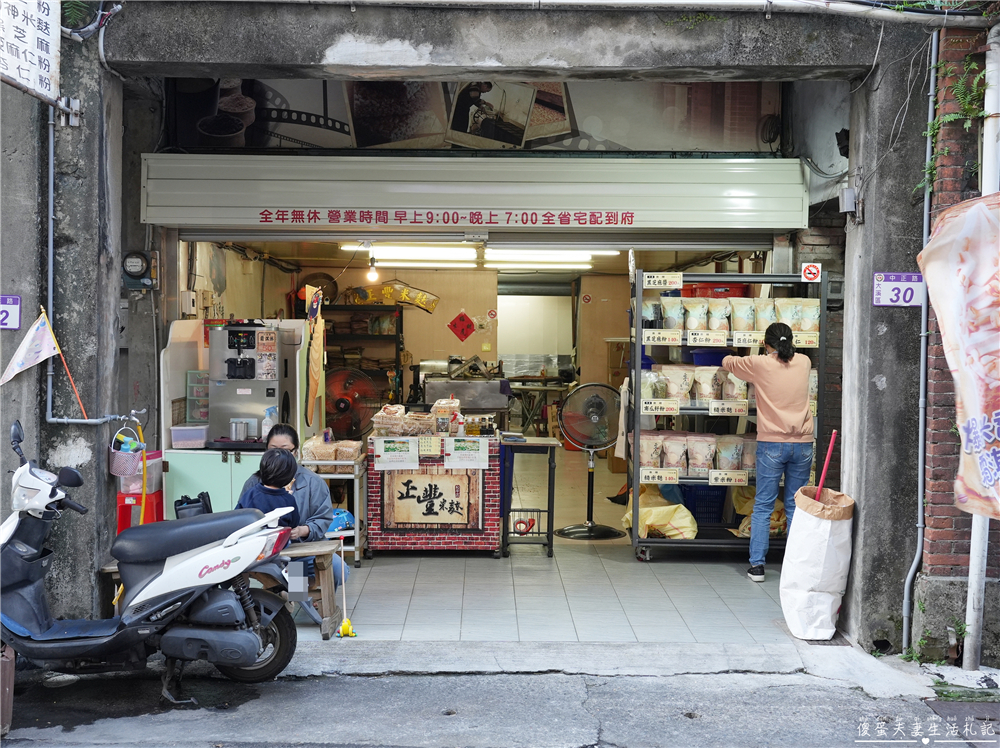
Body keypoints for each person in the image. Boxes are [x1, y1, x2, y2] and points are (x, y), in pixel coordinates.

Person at [721, 322, 814, 583]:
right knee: (796, 506)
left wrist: (732, 352)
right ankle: (797, 569)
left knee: (763, 505)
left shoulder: (760, 363)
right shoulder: (805, 362)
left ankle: (758, 566)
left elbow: (729, 362)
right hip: (803, 445)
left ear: (765, 344)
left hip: (772, 444)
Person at [240, 424, 345, 589]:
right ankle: (289, 596)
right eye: (273, 450)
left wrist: (303, 530)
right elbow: (240, 517)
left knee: (338, 569)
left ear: (296, 452)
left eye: (285, 450)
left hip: (301, 550)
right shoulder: (254, 483)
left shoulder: (313, 482)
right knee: (286, 575)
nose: (279, 456)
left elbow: (323, 519)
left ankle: (299, 596)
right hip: (265, 553)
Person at [235, 448, 301, 529]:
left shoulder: (250, 494)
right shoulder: (289, 500)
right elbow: (294, 524)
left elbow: (236, 517)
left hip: (251, 539)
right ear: (289, 476)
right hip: (280, 541)